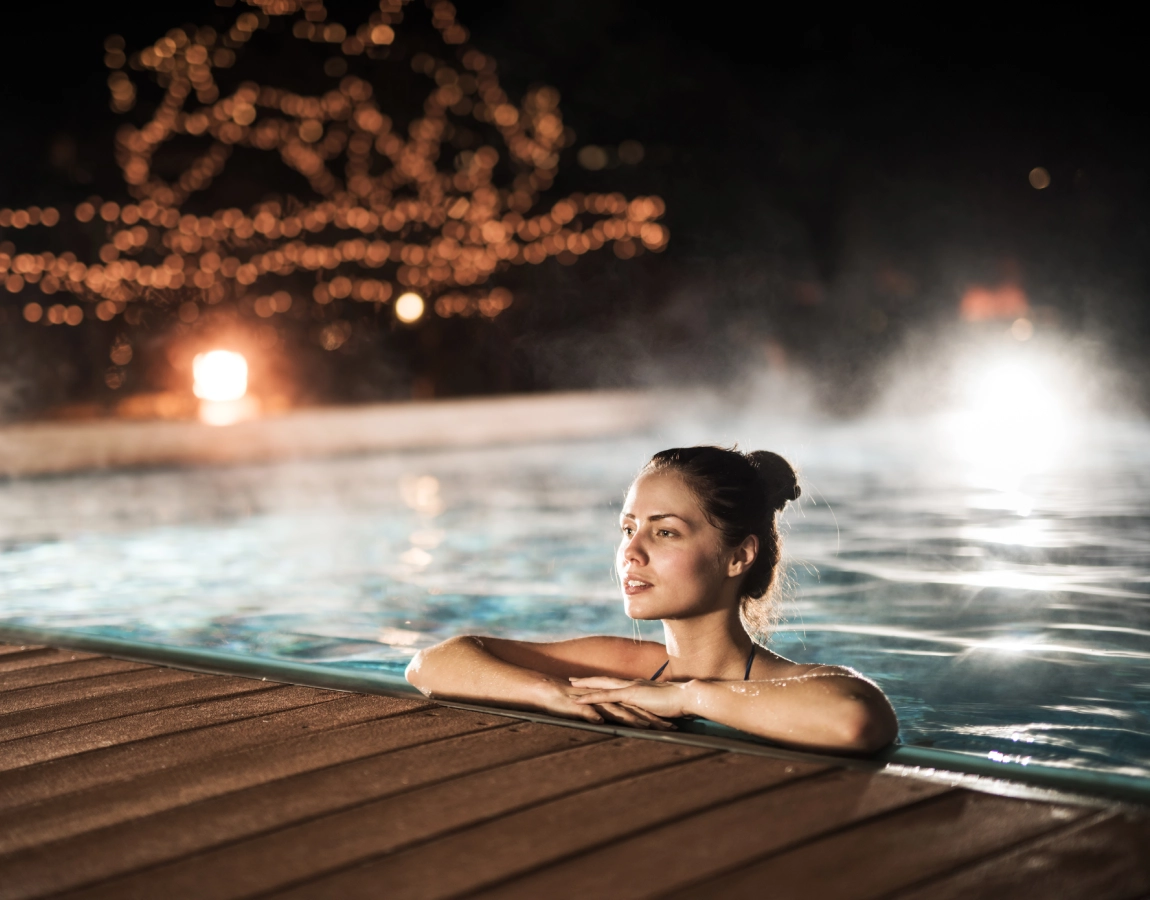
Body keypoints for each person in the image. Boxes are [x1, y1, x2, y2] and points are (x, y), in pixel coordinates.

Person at [406, 446, 898, 754]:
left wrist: (685, 695)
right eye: (627, 528)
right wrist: (548, 691)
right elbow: (432, 663)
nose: (631, 552)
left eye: (664, 532)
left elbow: (856, 718)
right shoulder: (625, 664)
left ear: (737, 556)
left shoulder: (790, 683)